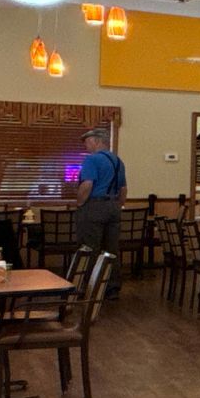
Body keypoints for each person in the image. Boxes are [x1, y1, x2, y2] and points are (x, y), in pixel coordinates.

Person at [73, 127, 128, 298]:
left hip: (94, 206)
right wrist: (116, 206)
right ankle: (112, 287)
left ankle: (89, 288)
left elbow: (87, 184)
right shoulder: (118, 161)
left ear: (97, 141)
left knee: (90, 248)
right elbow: (124, 189)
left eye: (87, 142)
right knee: (111, 250)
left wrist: (80, 203)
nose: (85, 146)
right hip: (113, 206)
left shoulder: (92, 160)